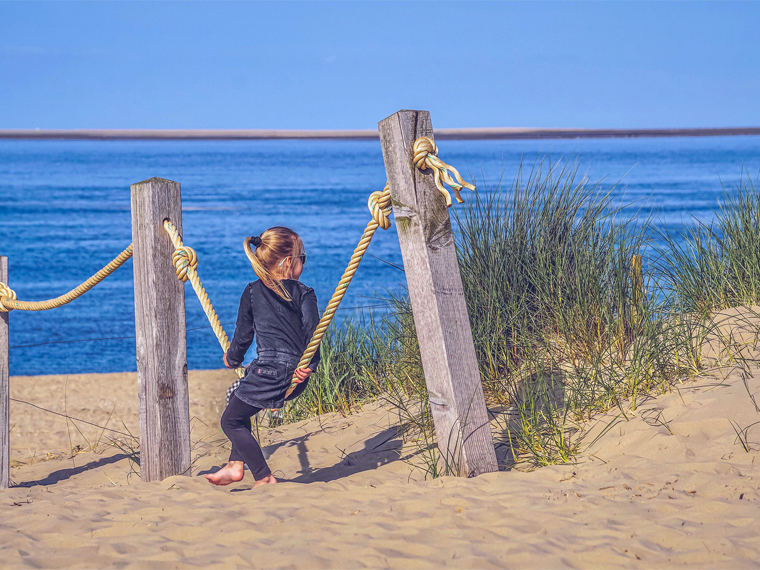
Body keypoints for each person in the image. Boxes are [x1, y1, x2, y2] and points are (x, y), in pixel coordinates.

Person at [205, 227, 320, 488]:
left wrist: (232, 358)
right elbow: (314, 334)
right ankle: (235, 464)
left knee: (230, 421)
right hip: (295, 375)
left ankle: (263, 476)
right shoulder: (305, 293)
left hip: (270, 372)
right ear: (289, 262)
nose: (304, 262)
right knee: (236, 396)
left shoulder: (252, 292)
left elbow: (243, 336)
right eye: (303, 256)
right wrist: (309, 366)